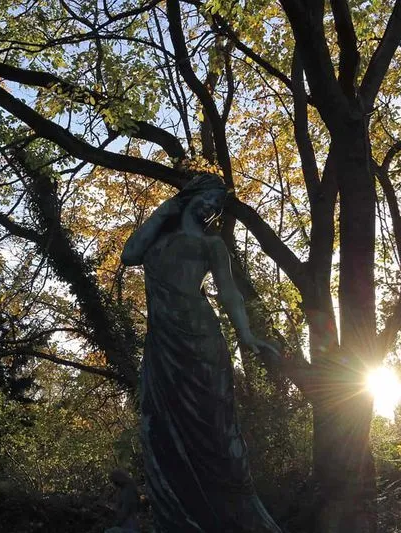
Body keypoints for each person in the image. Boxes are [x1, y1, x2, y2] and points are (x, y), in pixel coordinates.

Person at [121, 173, 282, 532]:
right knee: (158, 425)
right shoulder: (156, 239)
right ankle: (177, 519)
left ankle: (228, 517)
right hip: (162, 344)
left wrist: (247, 335)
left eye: (218, 204)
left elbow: (229, 294)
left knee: (214, 428)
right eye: (208, 198)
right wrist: (165, 210)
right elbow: (128, 255)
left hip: (200, 340)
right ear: (189, 196)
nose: (212, 208)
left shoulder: (212, 246)